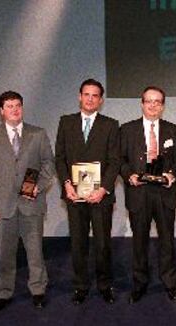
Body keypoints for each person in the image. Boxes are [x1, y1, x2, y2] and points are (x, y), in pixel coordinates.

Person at [55, 79, 120, 305]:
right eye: (86, 94)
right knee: (78, 243)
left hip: (100, 196)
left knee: (103, 244)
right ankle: (80, 286)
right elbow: (60, 157)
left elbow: (115, 161)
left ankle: (104, 285)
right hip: (74, 195)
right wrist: (66, 183)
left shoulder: (111, 124)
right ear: (79, 96)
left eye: (95, 95)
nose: (90, 99)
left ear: (101, 100)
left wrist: (103, 189)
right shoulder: (66, 122)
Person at [0, 91, 55, 311]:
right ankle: (3, 291)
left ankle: (38, 290)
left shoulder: (38, 134)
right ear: (1, 111)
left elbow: (49, 163)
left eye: (18, 105)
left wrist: (41, 185)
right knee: (5, 253)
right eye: (9, 106)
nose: (14, 110)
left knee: (35, 251)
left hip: (32, 203)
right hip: (3, 205)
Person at [120, 86, 176, 303]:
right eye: (149, 101)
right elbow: (121, 160)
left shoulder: (172, 129)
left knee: (167, 242)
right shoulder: (127, 129)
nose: (153, 105)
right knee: (139, 243)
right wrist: (129, 176)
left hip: (164, 193)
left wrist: (172, 176)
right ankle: (139, 284)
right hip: (139, 193)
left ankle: (170, 283)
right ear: (142, 103)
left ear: (162, 105)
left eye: (157, 102)